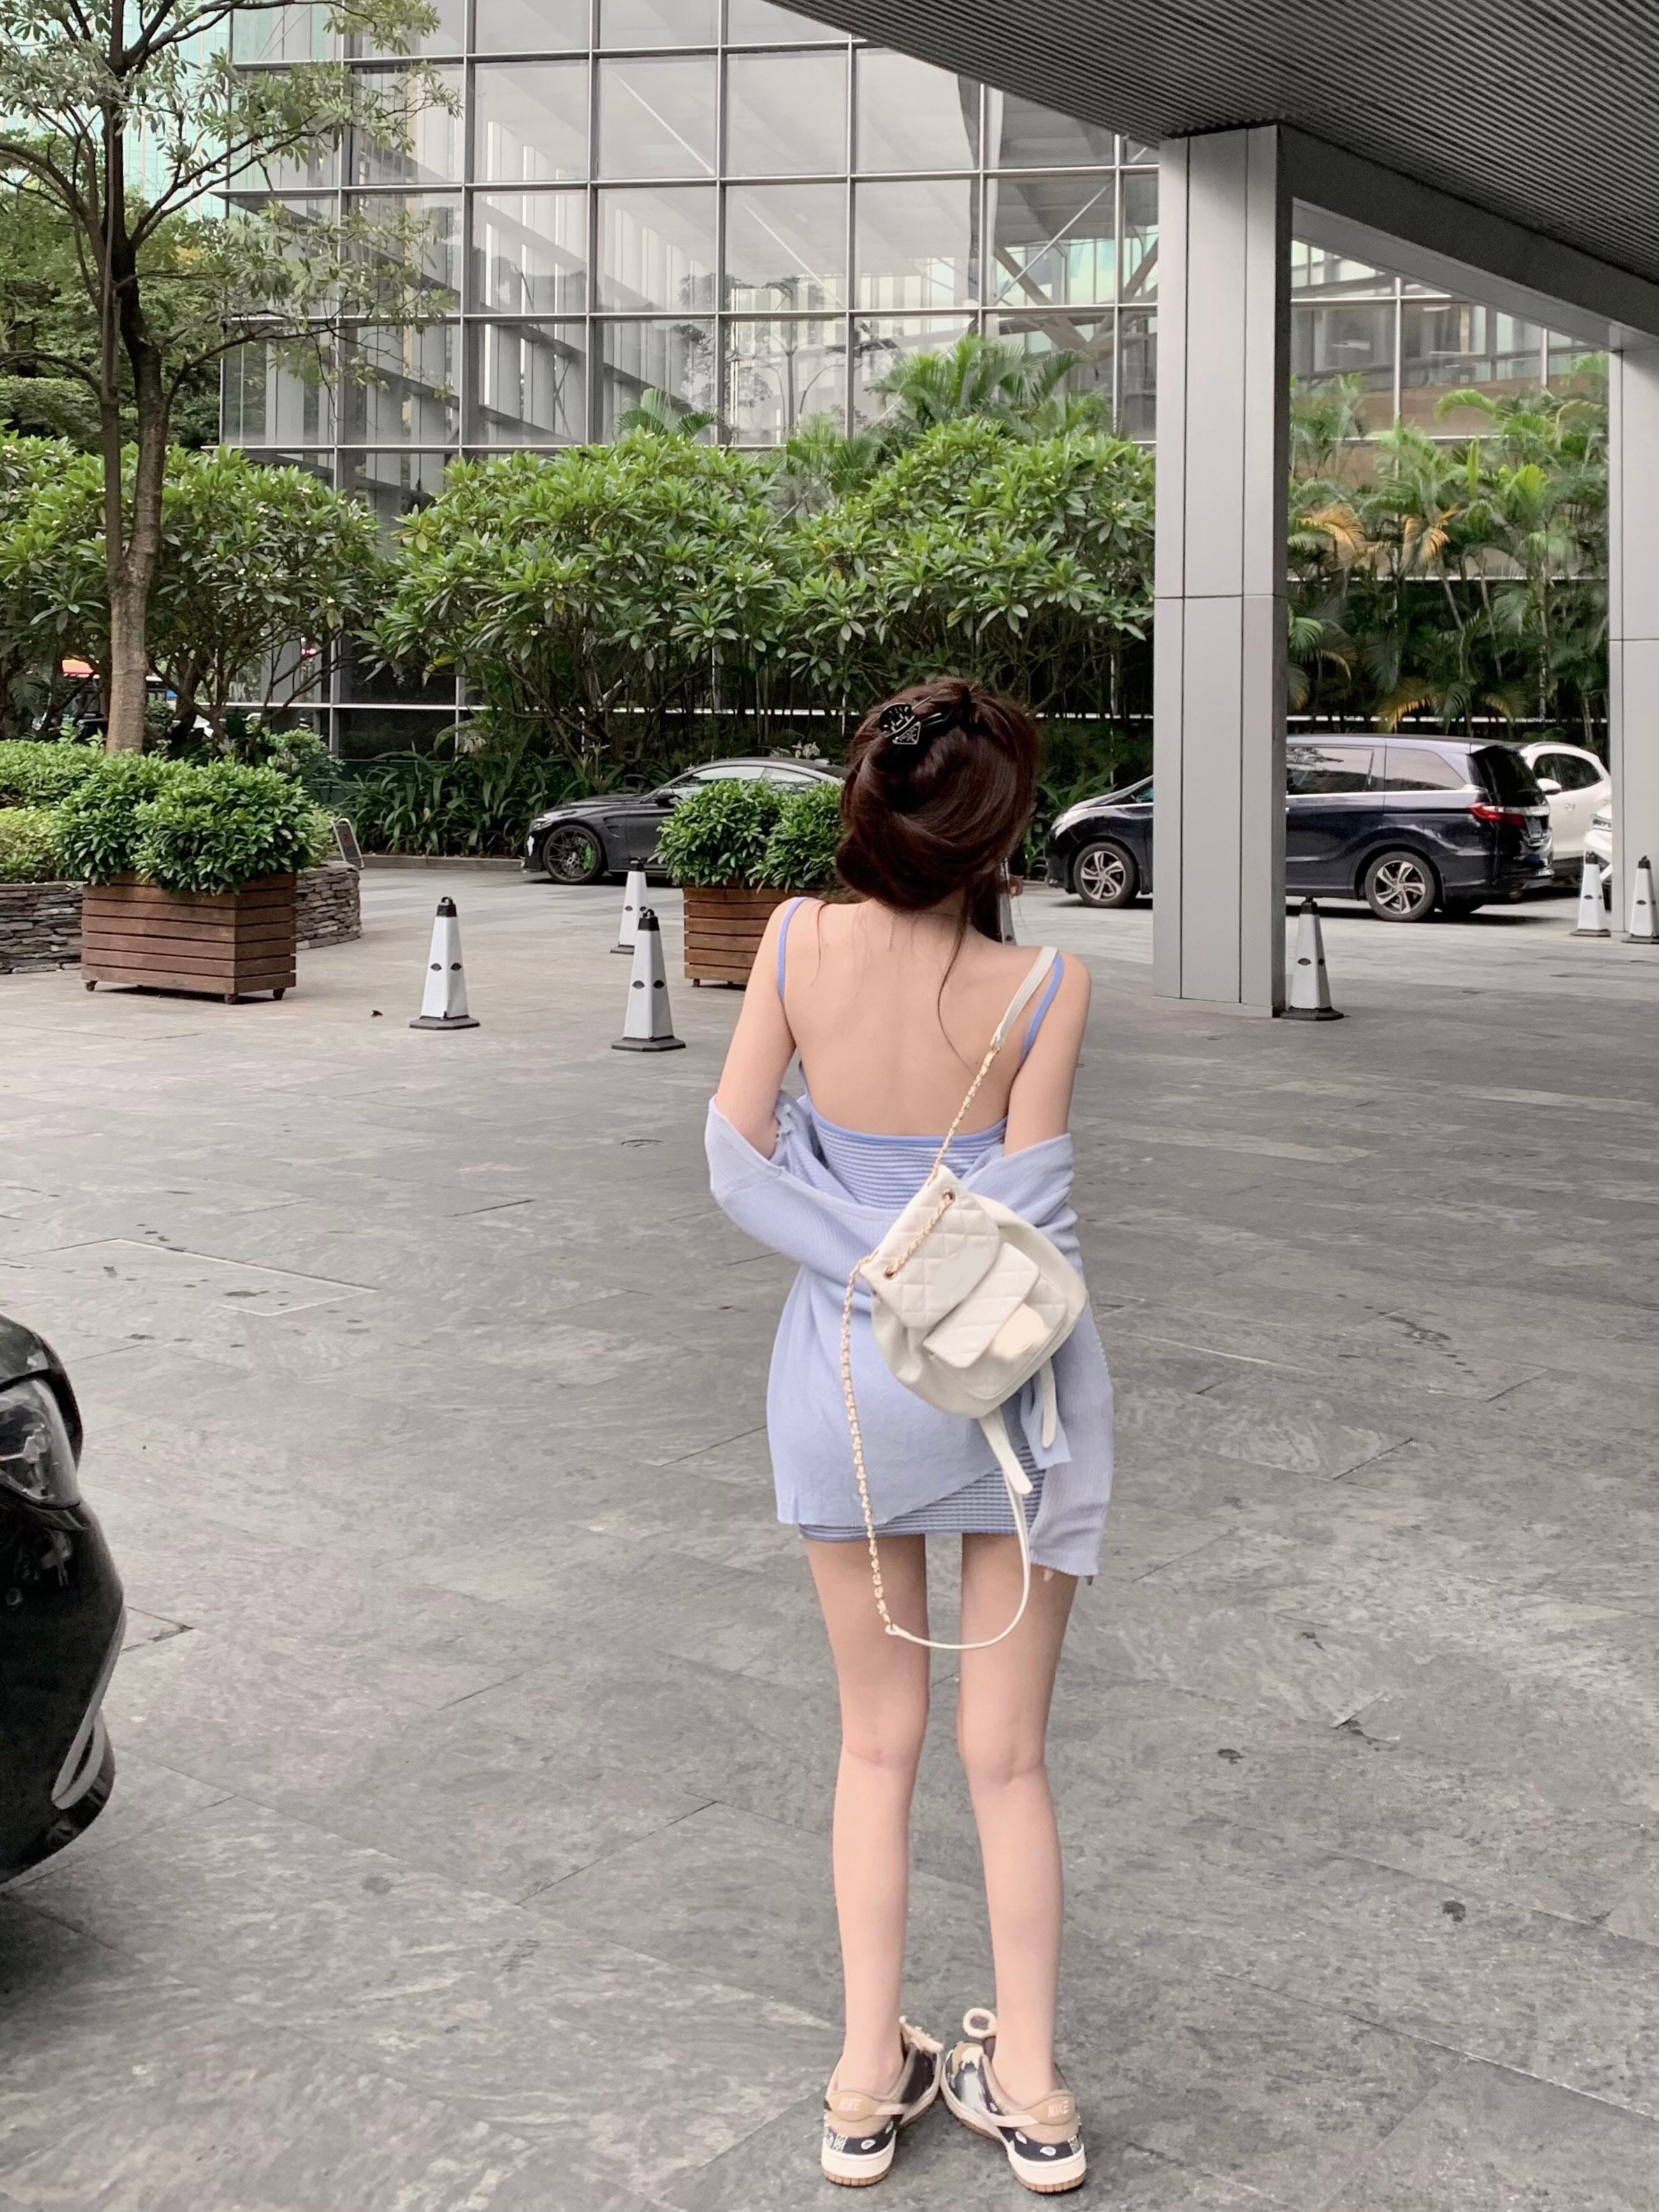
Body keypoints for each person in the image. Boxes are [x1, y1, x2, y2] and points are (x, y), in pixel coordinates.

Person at [706, 678, 1113, 2195]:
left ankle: (867, 2082)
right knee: (1007, 1761)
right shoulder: (1047, 983)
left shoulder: (795, 943)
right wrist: (930, 1261)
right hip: (1008, 1398)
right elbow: (1035, 1212)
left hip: (841, 1388)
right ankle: (1037, 2092)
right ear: (998, 834)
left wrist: (862, 1254)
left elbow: (733, 1155)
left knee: (874, 1747)